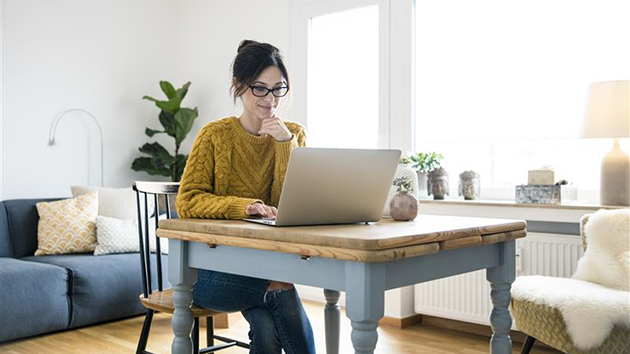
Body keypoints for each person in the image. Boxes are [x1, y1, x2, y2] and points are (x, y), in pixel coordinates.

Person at [176, 40, 315, 354]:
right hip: (208, 272)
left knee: (266, 330)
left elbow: (291, 207)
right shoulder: (215, 135)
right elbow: (187, 201)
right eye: (260, 88)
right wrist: (243, 207)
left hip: (265, 264)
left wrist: (284, 144)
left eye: (279, 88)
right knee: (281, 286)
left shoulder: (293, 135)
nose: (271, 99)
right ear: (238, 86)